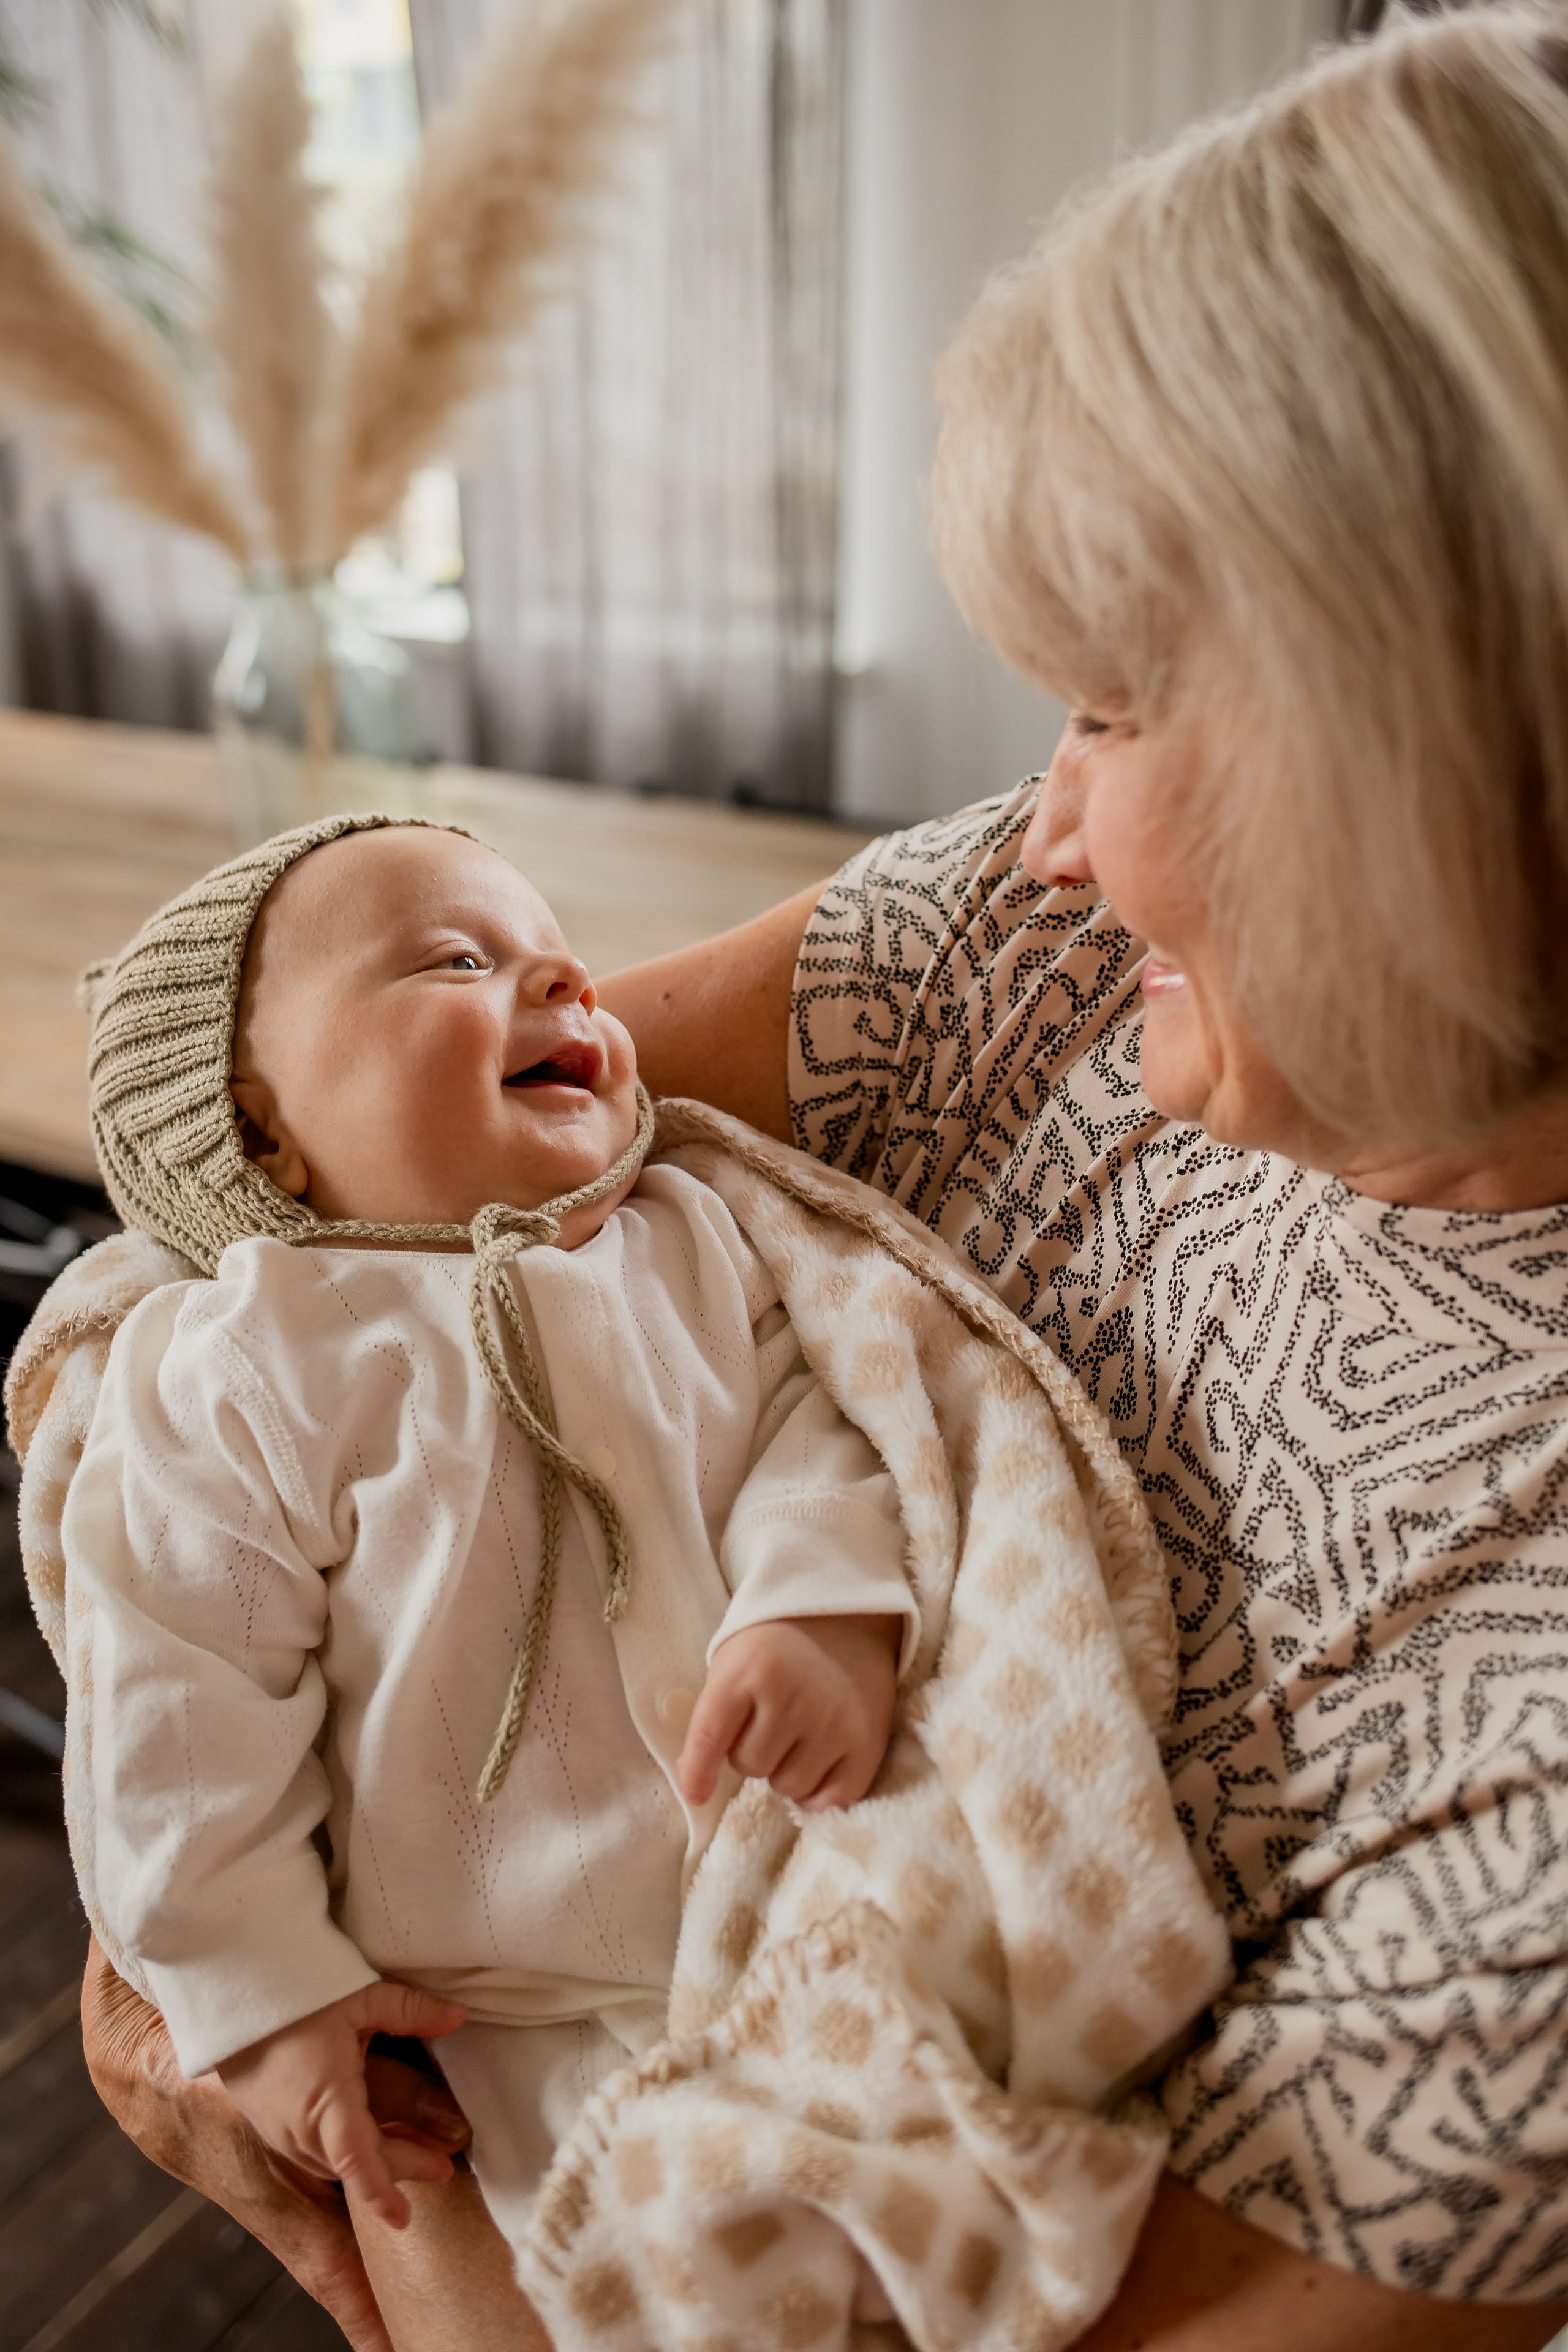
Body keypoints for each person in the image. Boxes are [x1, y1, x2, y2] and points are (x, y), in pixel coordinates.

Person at [69, 4, 1568, 2347]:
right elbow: (243, 1256)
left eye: (1109, 705)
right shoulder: (1044, 933)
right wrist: (216, 1918)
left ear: (1429, 752)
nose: (1037, 822)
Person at [64, 814, 918, 2261]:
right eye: (462, 959)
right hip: (477, 2011)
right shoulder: (252, 1357)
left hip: (791, 1901)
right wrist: (265, 1997)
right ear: (264, 1127)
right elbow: (174, 1701)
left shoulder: (689, 1240)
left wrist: (819, 1605)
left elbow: (818, 1423)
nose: (569, 982)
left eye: (558, 955)